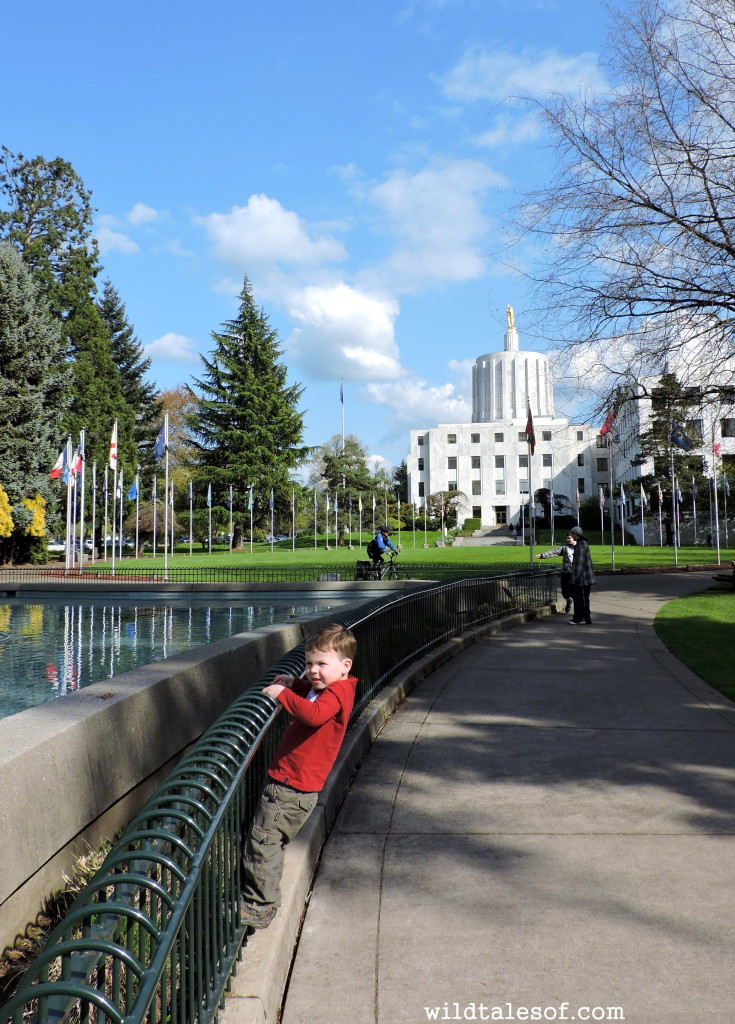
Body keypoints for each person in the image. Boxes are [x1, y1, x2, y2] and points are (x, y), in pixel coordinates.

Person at [241, 624, 358, 930]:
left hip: (291, 787)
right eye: (309, 664)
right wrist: (294, 684)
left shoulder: (337, 693)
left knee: (263, 842)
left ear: (345, 666)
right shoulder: (331, 688)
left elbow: (314, 714)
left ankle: (260, 906)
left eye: (321, 664)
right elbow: (313, 697)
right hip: (292, 784)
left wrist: (282, 694)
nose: (313, 671)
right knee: (270, 839)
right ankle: (263, 899)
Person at [536, 534, 575, 613]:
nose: (568, 539)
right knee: (565, 591)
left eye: (569, 538)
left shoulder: (580, 547)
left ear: (575, 538)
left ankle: (578, 611)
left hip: (577, 572)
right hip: (566, 572)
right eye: (566, 538)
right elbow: (553, 552)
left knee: (576, 590)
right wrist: (543, 555)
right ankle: (569, 600)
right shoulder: (564, 547)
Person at [568, 525, 595, 624]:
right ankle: (586, 618)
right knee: (584, 599)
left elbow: (579, 563)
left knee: (580, 599)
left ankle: (580, 618)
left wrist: (575, 579)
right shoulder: (582, 544)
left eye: (571, 533)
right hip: (585, 578)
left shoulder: (581, 545)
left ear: (575, 534)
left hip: (582, 579)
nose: (570, 534)